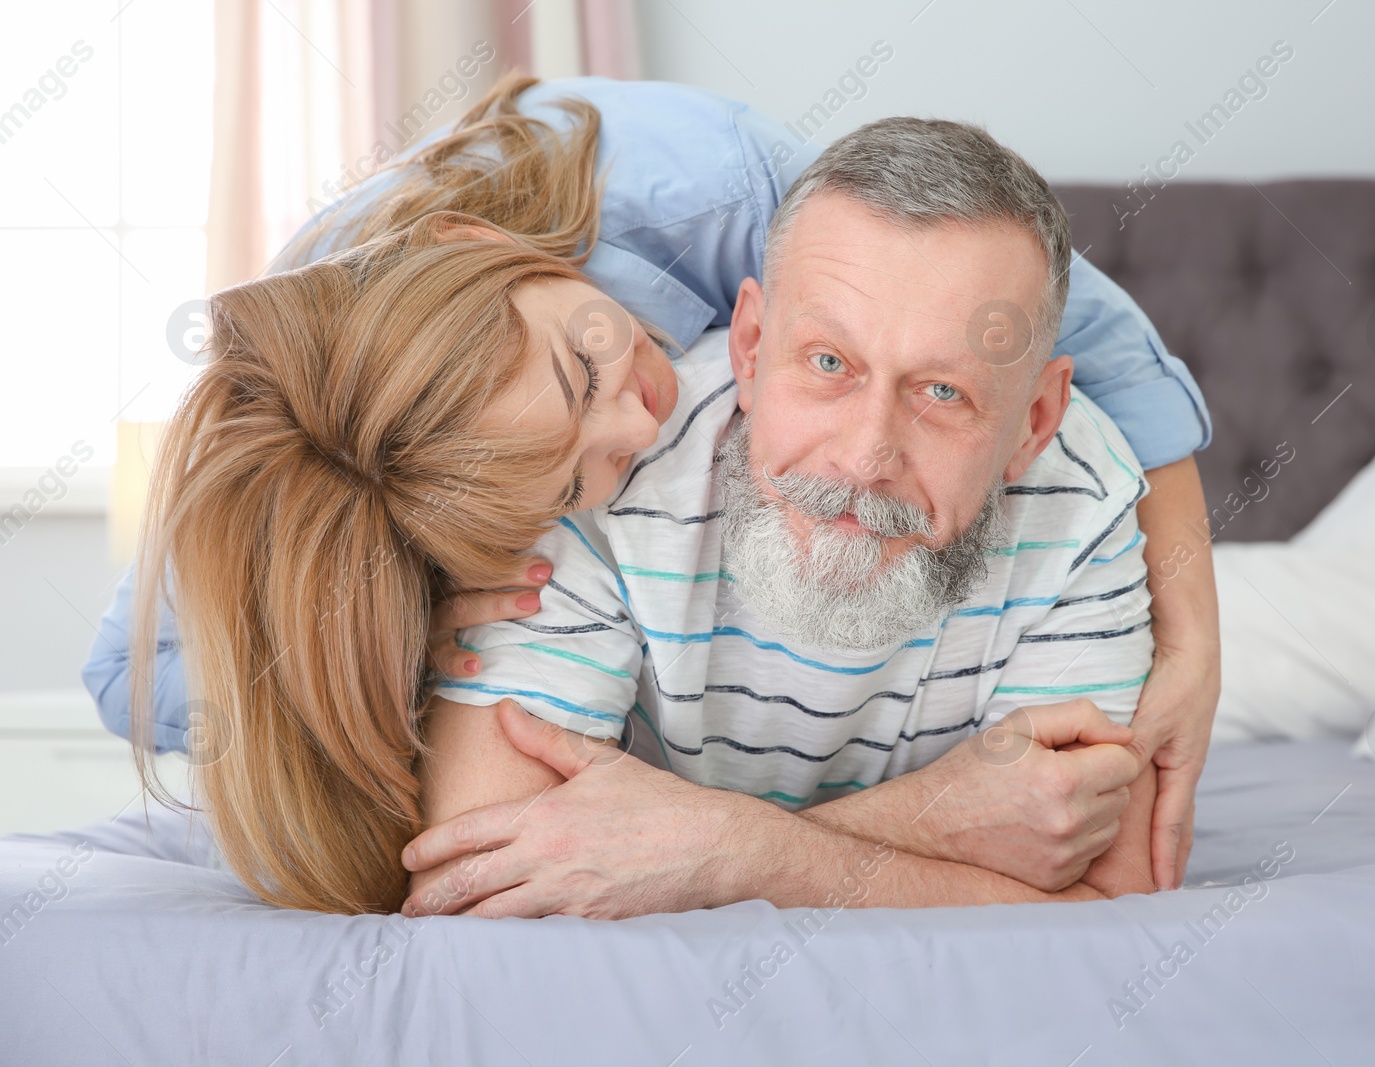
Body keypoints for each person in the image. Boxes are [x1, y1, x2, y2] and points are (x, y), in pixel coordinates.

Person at [83, 75, 1220, 915]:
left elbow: (1023, 299)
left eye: (582, 368)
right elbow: (125, 676)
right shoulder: (353, 477)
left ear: (479, 245)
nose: (646, 417)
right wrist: (401, 617)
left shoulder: (692, 177)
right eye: (576, 471)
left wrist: (1196, 628)